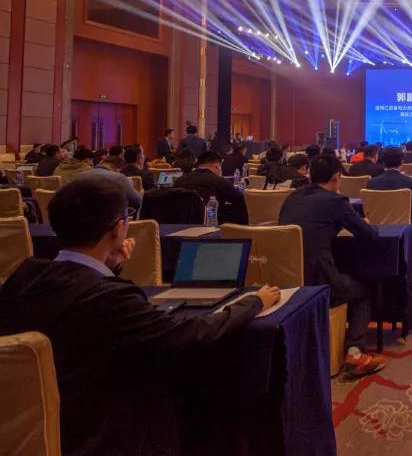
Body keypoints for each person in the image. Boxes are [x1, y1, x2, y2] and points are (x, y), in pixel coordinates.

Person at [0, 178, 280, 455]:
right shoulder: (110, 300)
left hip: (29, 433)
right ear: (118, 229)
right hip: (103, 436)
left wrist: (111, 264)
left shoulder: (24, 276)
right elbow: (190, 335)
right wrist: (253, 302)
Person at [278, 155, 387, 378]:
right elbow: (368, 235)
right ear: (337, 177)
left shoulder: (292, 197)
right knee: (364, 290)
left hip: (285, 282)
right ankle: (355, 352)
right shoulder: (335, 201)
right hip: (318, 282)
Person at [175, 151, 248, 223]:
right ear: (217, 166)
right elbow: (242, 201)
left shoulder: (180, 180)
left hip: (179, 225)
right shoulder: (219, 181)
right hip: (210, 225)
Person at [367, 147, 412, 222]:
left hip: (377, 226)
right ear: (402, 162)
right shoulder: (409, 182)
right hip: (404, 226)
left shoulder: (372, 183)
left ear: (384, 162)